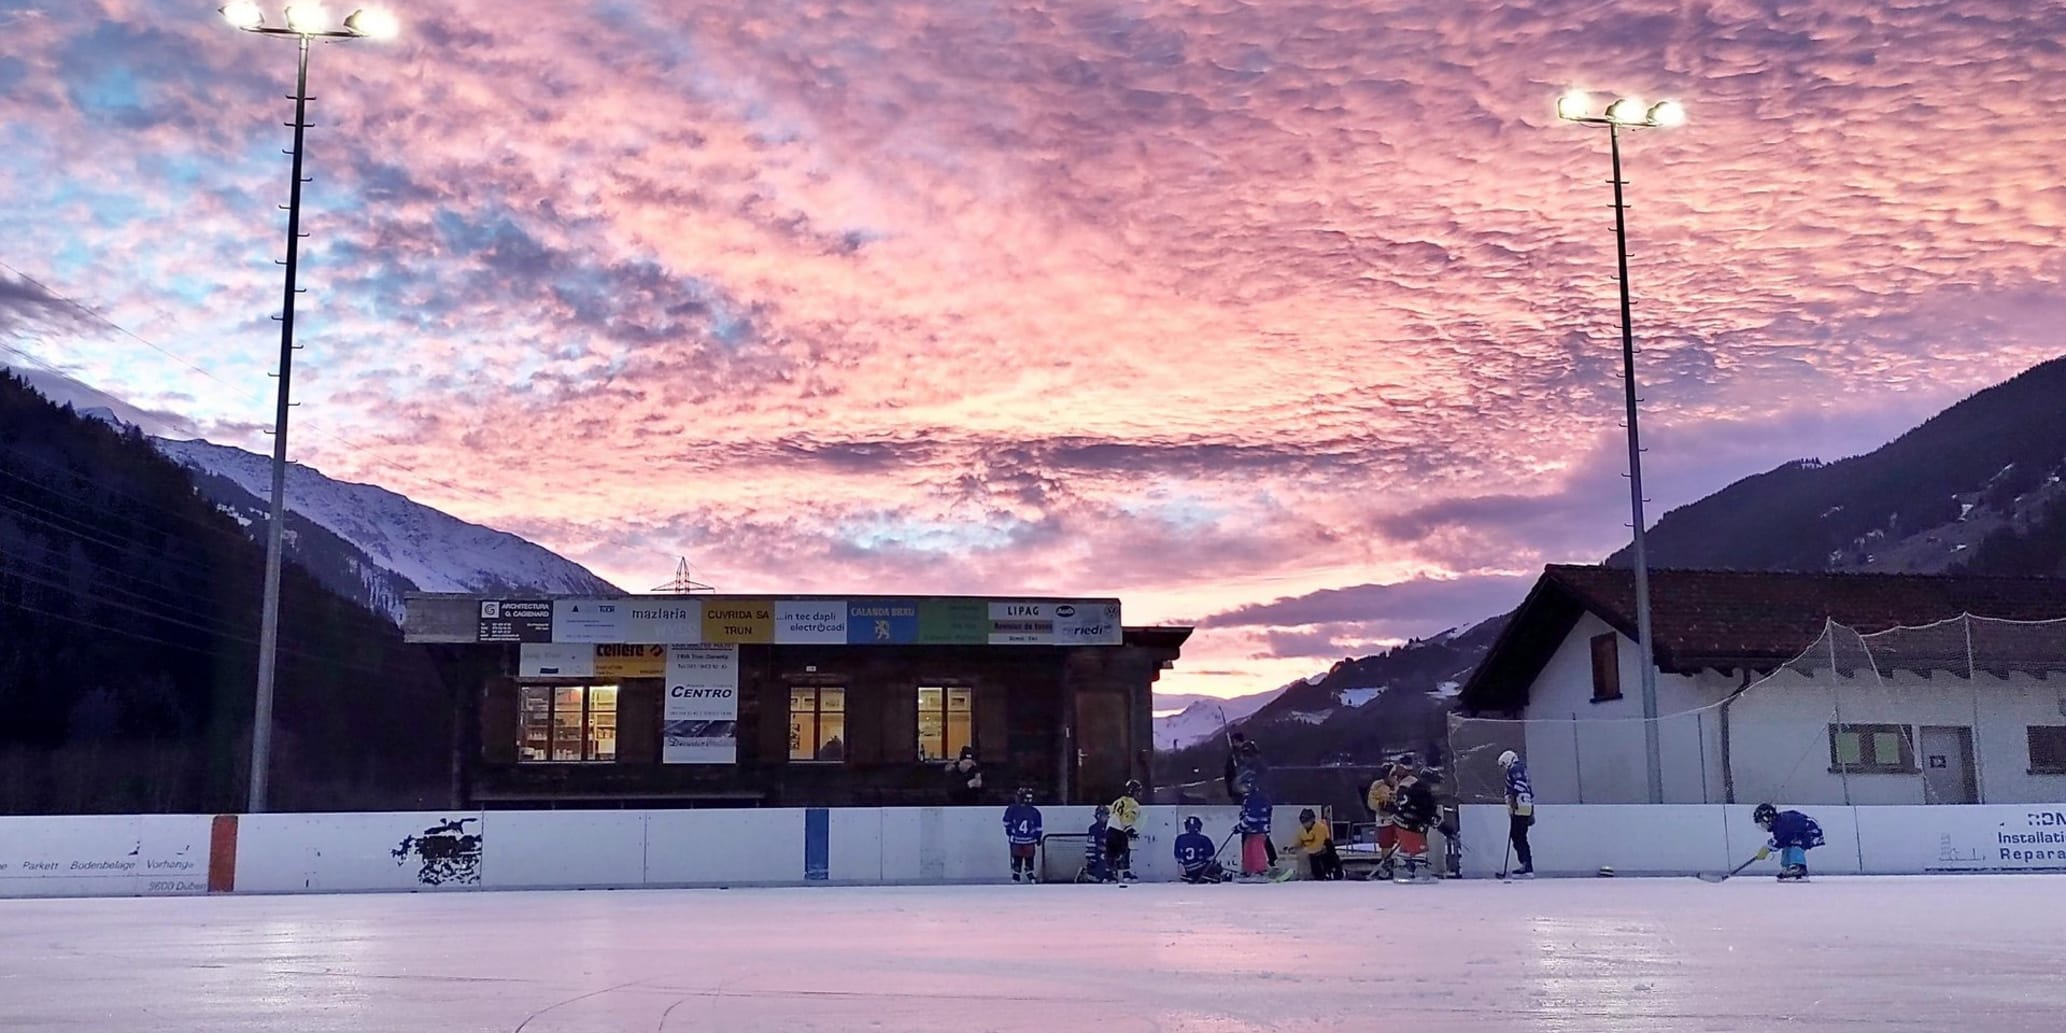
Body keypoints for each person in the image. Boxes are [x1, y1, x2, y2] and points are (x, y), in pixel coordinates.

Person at [1753, 803, 1825, 881]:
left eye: (1763, 823)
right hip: (1798, 833)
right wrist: (1768, 847)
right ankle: (1788, 867)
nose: (1763, 826)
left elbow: (1780, 840)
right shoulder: (1778, 824)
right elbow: (1781, 840)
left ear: (1768, 819)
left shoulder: (1782, 823)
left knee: (1795, 846)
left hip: (1810, 832)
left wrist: (1767, 848)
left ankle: (1799, 867)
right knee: (1787, 847)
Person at [1392, 767, 1440, 883]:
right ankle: (1420, 873)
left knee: (1407, 849)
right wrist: (1437, 822)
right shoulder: (1423, 793)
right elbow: (1425, 812)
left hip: (1400, 823)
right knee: (1420, 849)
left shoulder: (1415, 788)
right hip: (1410, 824)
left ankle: (1403, 871)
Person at [1498, 750, 1536, 879]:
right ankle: (1526, 864)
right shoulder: (1521, 768)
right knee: (1520, 836)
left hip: (1519, 807)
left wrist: (1513, 798)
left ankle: (1526, 866)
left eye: (1503, 764)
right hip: (1524, 807)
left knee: (1518, 836)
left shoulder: (1515, 769)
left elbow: (1520, 784)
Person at [1365, 764, 1404, 880]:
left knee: (1402, 840)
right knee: (1386, 843)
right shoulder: (1378, 786)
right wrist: (1381, 806)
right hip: (1384, 818)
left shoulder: (1401, 785)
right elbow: (1371, 802)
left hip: (1399, 817)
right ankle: (1387, 865)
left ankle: (1402, 865)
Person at [1002, 787, 1043, 883]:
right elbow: (1038, 827)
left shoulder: (1012, 809)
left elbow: (1006, 822)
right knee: (1029, 857)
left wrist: (1009, 831)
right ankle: (1030, 873)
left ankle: (1016, 874)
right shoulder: (1035, 811)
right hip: (1029, 840)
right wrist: (1038, 837)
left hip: (1016, 839)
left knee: (1017, 857)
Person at [1237, 777, 1274, 879]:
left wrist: (1241, 826)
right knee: (1248, 847)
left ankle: (1260, 870)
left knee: (1256, 848)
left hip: (1259, 829)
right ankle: (1248, 870)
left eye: (1243, 786)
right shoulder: (1248, 798)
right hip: (1251, 829)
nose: (1241, 789)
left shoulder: (1258, 797)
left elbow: (1254, 816)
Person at [1106, 779, 1144, 881]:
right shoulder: (1134, 805)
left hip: (1109, 828)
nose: (1139, 794)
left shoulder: (1117, 801)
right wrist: (1129, 829)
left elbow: (1111, 813)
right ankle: (1126, 874)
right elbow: (1126, 817)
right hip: (1120, 830)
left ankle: (1109, 875)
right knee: (1125, 851)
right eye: (1138, 791)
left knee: (1111, 853)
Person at [1174, 815, 1227, 883]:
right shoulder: (1204, 839)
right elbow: (1210, 857)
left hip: (1187, 869)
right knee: (1217, 868)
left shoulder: (1179, 838)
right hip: (1201, 868)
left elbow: (1177, 857)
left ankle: (1193, 875)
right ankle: (1210, 876)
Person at [1294, 808, 1343, 880]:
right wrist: (1293, 848)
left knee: (1323, 858)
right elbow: (1298, 842)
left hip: (1324, 850)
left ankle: (1334, 872)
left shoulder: (1320, 828)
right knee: (1312, 860)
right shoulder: (1301, 830)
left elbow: (1319, 844)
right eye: (1303, 822)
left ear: (1312, 820)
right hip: (1311, 851)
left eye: (1306, 821)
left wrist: (1306, 850)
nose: (1305, 824)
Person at [1082, 804, 1115, 882]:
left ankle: (1109, 873)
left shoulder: (1111, 828)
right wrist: (1091, 858)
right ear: (1098, 816)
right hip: (1098, 854)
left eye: (1106, 815)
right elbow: (1091, 845)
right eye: (1104, 815)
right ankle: (1091, 873)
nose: (1106, 817)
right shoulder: (1093, 829)